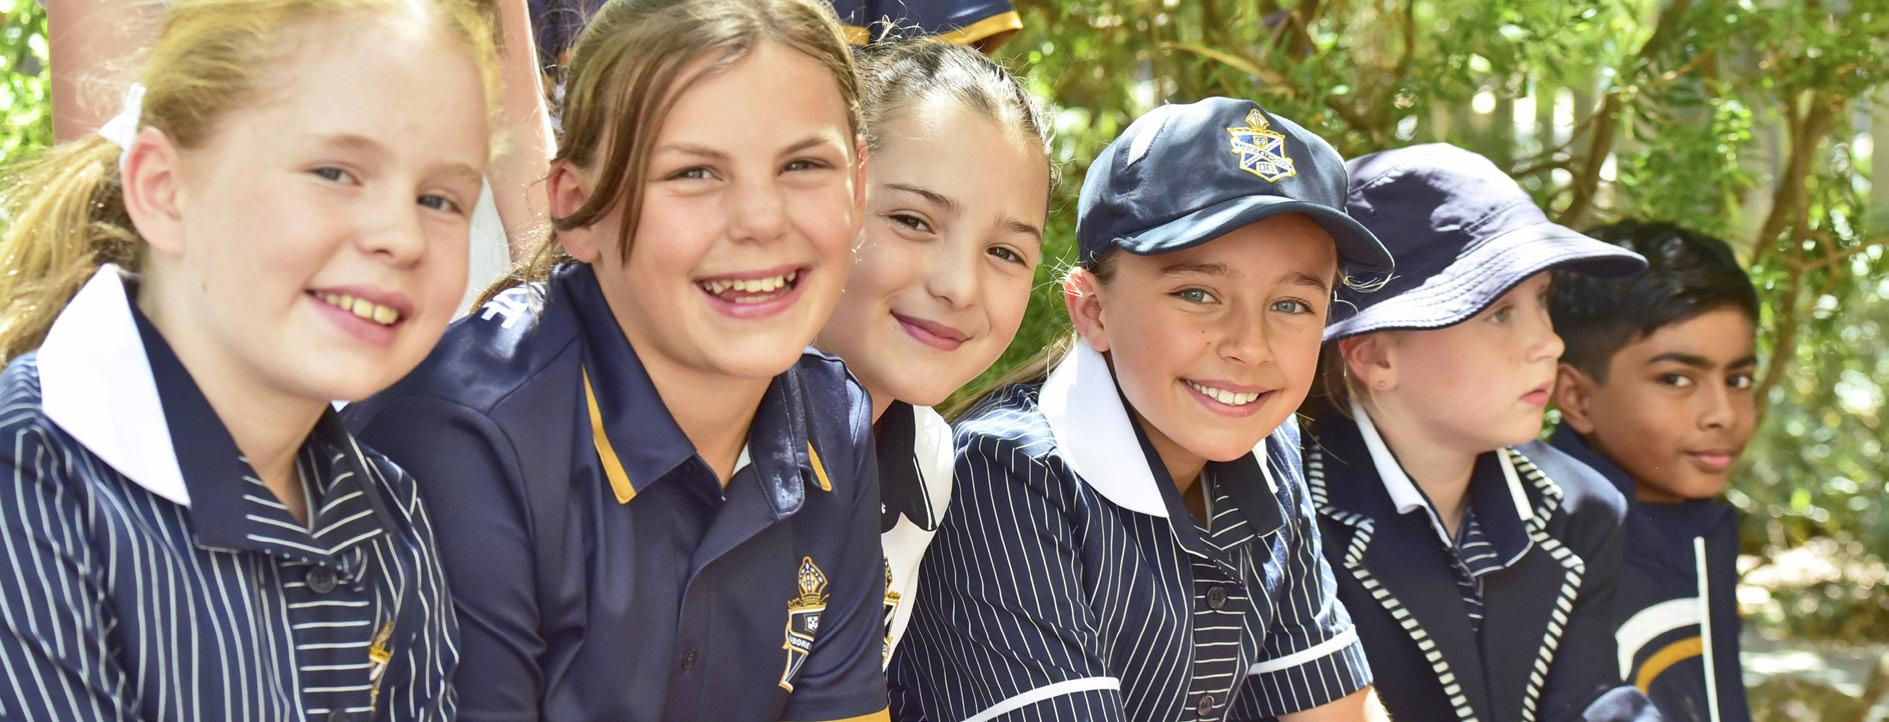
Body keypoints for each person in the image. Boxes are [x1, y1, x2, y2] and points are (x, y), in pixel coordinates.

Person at [343, 0, 891, 719]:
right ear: (579, 207)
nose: (761, 219)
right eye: (694, 172)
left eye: (803, 165)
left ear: (859, 185)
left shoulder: (832, 419)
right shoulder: (464, 437)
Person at [0, 0, 501, 718]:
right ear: (164, 191)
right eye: (334, 172)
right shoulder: (30, 483)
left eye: (440, 199)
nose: (402, 235)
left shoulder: (389, 517)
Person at [889, 97, 1393, 721]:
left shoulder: (1268, 449)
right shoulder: (1009, 474)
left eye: (1291, 305)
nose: (1250, 346)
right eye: (1198, 294)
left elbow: (1339, 710)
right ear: (1093, 310)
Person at [1303, 142, 1658, 721]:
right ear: (1374, 355)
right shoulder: (1276, 519)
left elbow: (1589, 701)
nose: (1550, 343)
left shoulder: (1582, 509)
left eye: (1542, 300)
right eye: (1498, 312)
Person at [811, 38, 1051, 668]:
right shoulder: (709, 420)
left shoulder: (929, 458)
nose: (959, 286)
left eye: (1004, 252)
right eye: (914, 221)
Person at [1549, 220, 1759, 722]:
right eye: (1677, 379)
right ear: (1577, 398)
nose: (1723, 414)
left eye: (1739, 379)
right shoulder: (1545, 552)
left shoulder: (1705, 531)